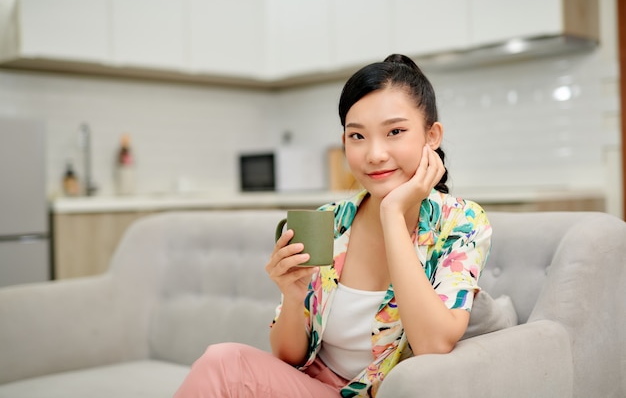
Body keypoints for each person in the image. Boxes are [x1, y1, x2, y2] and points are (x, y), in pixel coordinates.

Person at [173, 54, 492, 398]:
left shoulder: (463, 222)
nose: (375, 154)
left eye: (395, 132)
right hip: (312, 387)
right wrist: (293, 298)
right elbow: (287, 356)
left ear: (432, 136)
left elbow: (433, 344)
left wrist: (392, 215)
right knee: (222, 362)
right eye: (357, 137)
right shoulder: (330, 220)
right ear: (344, 143)